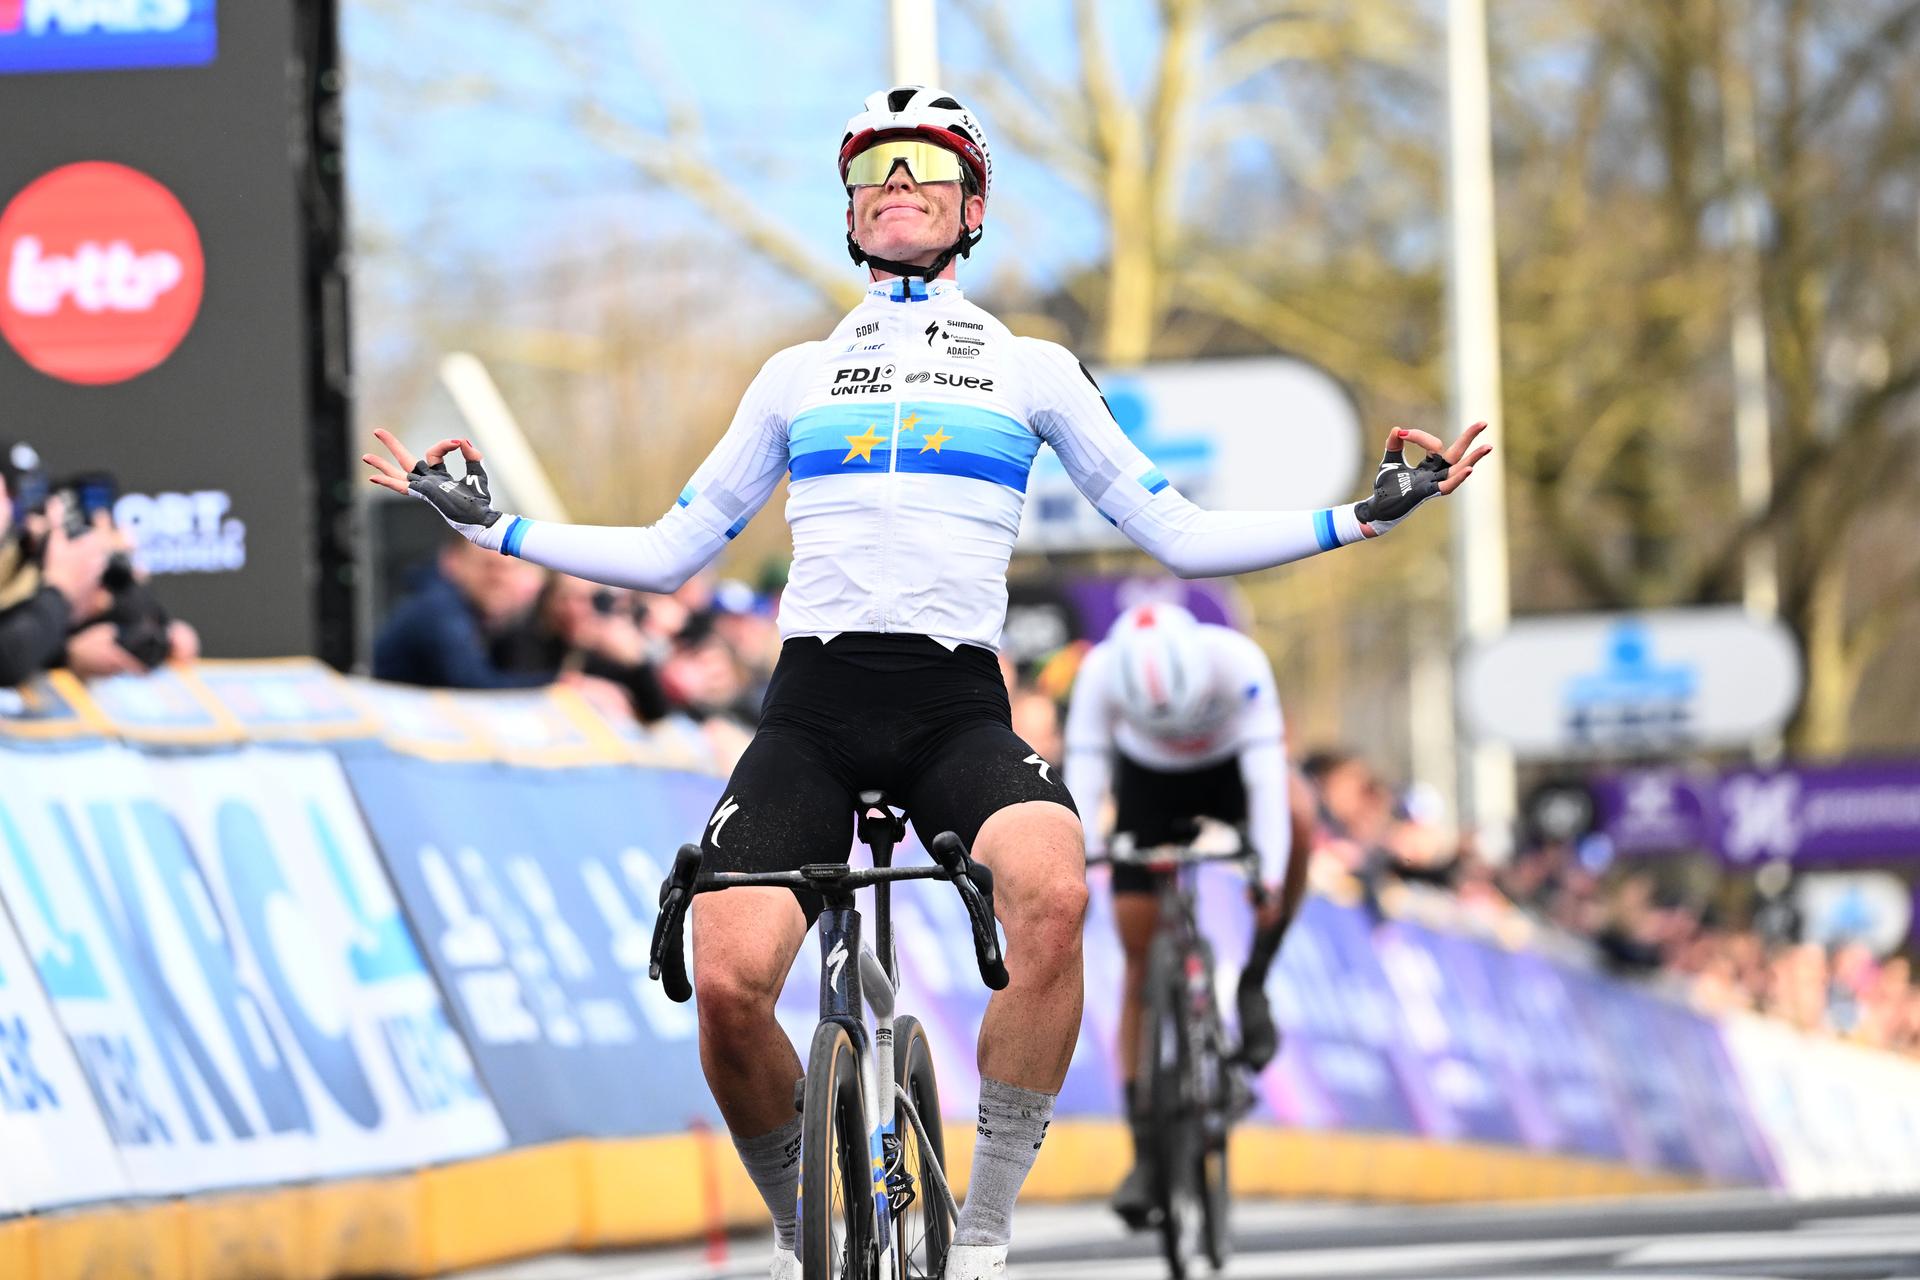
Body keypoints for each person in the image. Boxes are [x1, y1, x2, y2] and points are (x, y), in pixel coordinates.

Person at [364, 84, 1488, 1279]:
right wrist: (497, 531)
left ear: (972, 204)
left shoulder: (1032, 369)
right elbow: (668, 551)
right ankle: (810, 1227)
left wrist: (1359, 517)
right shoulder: (795, 375)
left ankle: (989, 1222)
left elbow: (1180, 532)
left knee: (1053, 891)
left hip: (955, 706)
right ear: (850, 209)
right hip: (811, 709)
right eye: (872, 171)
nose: (896, 185)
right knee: (732, 977)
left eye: (924, 166)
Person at [1061, 600, 1316, 1226]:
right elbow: (1087, 785)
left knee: (1300, 813)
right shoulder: (1098, 675)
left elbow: (1264, 789)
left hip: (1231, 768)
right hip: (1148, 783)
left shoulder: (1237, 662)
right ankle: (1146, 1151)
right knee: (1138, 963)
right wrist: (1085, 865)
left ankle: (1255, 981)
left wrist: (1270, 880)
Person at [371, 531, 548, 688]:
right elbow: (472, 685)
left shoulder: (469, 609)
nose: (500, 579)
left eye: (508, 569)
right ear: (453, 562)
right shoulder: (439, 609)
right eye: (489, 566)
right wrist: (555, 685)